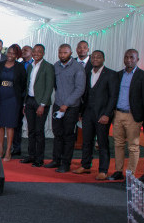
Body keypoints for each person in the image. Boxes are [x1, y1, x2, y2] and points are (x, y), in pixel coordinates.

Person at [73, 50, 117, 180]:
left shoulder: (111, 74)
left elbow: (113, 97)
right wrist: (81, 112)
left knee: (102, 143)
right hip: (88, 113)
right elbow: (85, 95)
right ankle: (85, 165)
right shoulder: (87, 73)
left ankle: (103, 170)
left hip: (102, 115)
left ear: (103, 59)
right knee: (86, 141)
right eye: (93, 57)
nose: (95, 59)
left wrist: (107, 114)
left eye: (98, 57)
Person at [46, 44, 86, 173]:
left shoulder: (78, 68)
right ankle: (56, 160)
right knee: (57, 133)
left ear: (70, 53)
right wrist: (60, 102)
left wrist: (66, 104)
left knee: (68, 136)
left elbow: (80, 89)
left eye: (65, 53)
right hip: (58, 105)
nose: (62, 55)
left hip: (71, 107)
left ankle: (65, 163)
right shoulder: (56, 65)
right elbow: (55, 85)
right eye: (60, 52)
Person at [109, 49, 144, 181]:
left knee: (133, 146)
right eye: (126, 57)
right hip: (118, 114)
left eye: (132, 57)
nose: (128, 60)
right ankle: (118, 171)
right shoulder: (118, 75)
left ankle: (130, 175)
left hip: (133, 116)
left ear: (137, 59)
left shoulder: (142, 75)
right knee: (118, 144)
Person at [22, 44, 54, 167]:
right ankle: (31, 155)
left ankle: (39, 159)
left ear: (43, 53)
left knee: (39, 131)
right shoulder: (30, 66)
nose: (36, 53)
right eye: (34, 51)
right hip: (29, 101)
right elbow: (28, 85)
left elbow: (49, 87)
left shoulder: (48, 67)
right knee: (31, 130)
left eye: (39, 51)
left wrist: (42, 105)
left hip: (41, 103)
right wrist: (25, 103)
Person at [0, 45, 26, 160]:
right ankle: (0, 149)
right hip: (0, 99)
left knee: (10, 126)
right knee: (0, 125)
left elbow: (23, 84)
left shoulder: (20, 67)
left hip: (13, 100)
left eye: (13, 53)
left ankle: (8, 151)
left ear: (17, 55)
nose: (10, 55)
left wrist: (22, 101)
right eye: (9, 52)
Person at [12, 45, 33, 156]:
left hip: (32, 98)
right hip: (19, 98)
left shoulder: (35, 64)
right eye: (23, 50)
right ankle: (16, 148)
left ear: (32, 52)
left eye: (26, 50)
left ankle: (32, 151)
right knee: (17, 124)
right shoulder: (18, 65)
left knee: (32, 126)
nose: (24, 52)